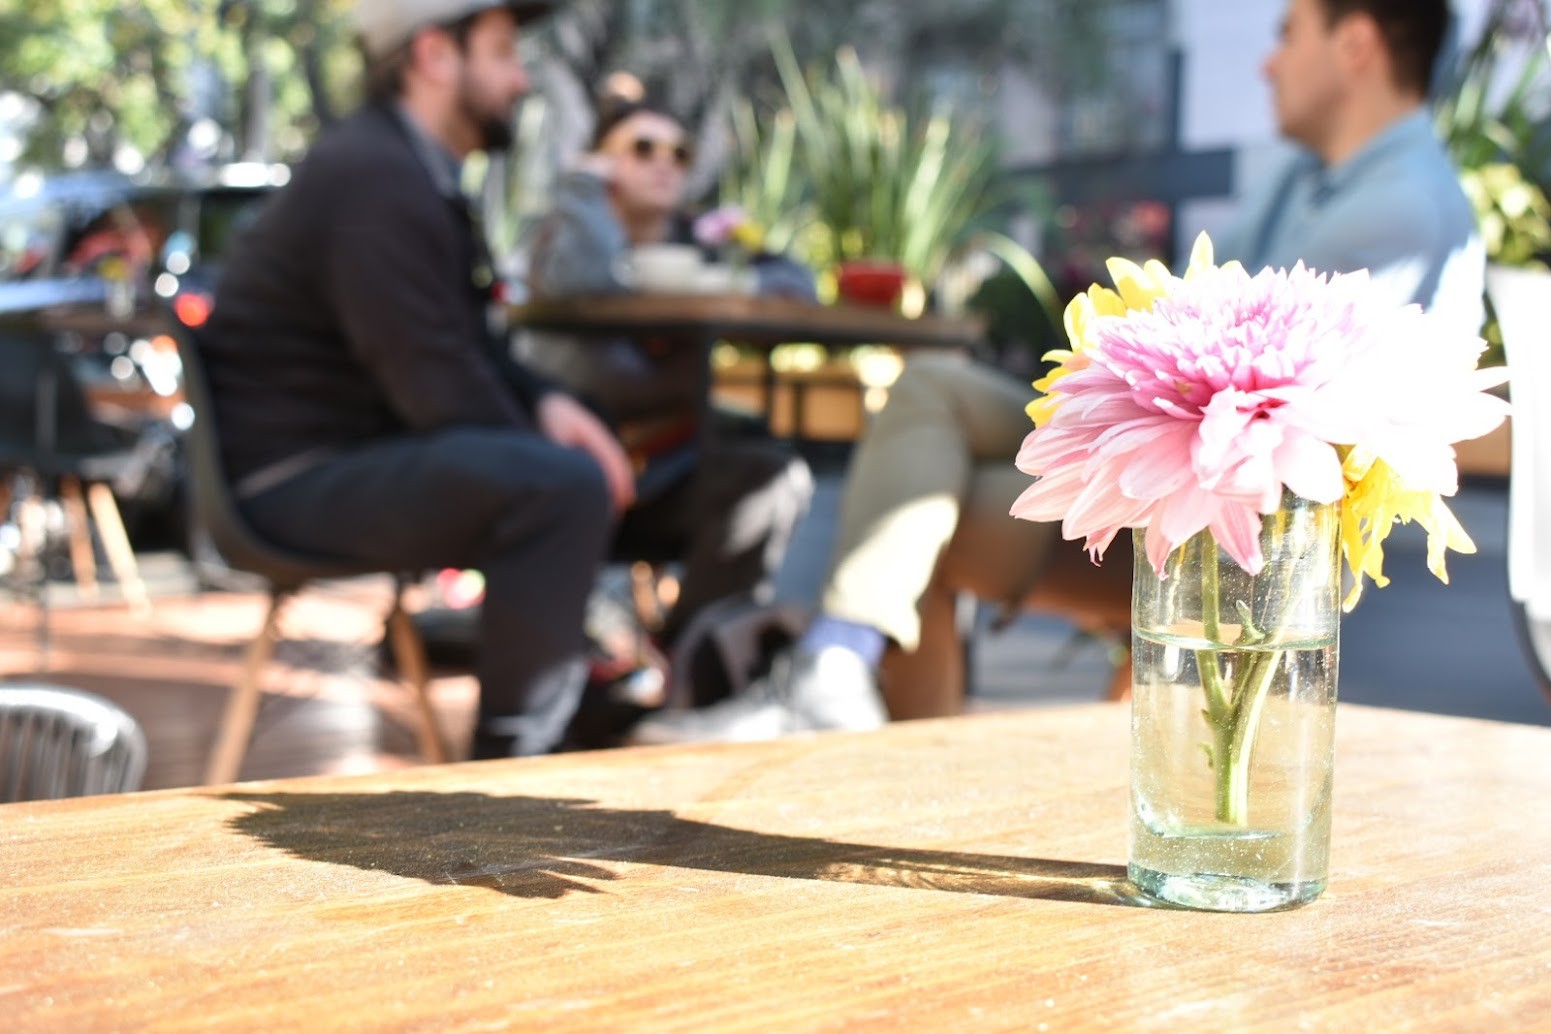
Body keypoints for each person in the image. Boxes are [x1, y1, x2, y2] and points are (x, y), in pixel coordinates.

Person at [628, 0, 1484, 744]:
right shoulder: (1305, 182)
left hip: (1244, 532)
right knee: (929, 388)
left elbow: (1310, 439)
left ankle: (864, 709)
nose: (1267, 59)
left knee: (921, 519)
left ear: (1356, 44)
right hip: (1173, 445)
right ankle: (836, 671)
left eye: (1288, 30)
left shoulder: (1402, 208)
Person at [200, 0, 636, 760]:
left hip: (347, 457)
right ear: (435, 55)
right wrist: (564, 466)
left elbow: (462, 347)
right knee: (557, 488)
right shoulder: (374, 176)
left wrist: (552, 404)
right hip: (293, 481)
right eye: (503, 52)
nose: (520, 77)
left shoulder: (409, 168)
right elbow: (435, 384)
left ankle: (606, 684)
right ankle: (514, 771)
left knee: (597, 464)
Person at [524, 82, 814, 659]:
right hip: (572, 477)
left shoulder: (700, 248)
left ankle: (692, 665)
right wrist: (584, 188)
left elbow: (798, 287)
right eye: (642, 148)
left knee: (773, 477)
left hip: (670, 471)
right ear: (602, 159)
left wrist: (736, 274)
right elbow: (586, 282)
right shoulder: (565, 241)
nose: (663, 163)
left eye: (677, 153)